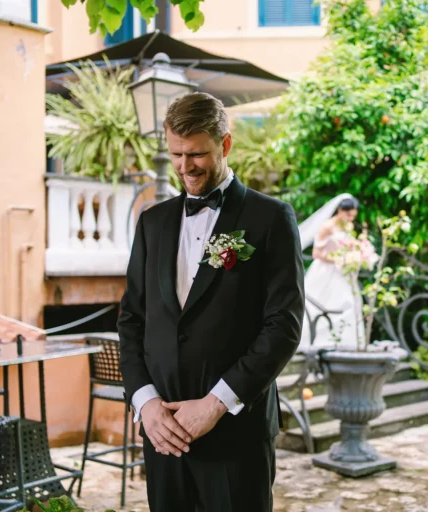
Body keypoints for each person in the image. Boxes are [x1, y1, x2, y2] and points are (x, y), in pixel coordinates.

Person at [117, 92, 305, 511]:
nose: (184, 167)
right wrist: (146, 404)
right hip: (163, 433)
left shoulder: (270, 218)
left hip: (235, 435)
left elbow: (284, 326)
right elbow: (132, 320)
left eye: (196, 154)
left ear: (225, 145)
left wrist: (216, 403)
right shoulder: (152, 223)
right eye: (176, 154)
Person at [299, 197, 370, 352]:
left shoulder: (348, 226)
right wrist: (339, 259)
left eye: (353, 215)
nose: (351, 218)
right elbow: (316, 253)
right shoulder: (327, 226)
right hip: (326, 271)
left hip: (343, 273)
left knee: (349, 303)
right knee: (325, 303)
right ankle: (318, 341)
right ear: (340, 211)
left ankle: (347, 343)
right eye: (348, 215)